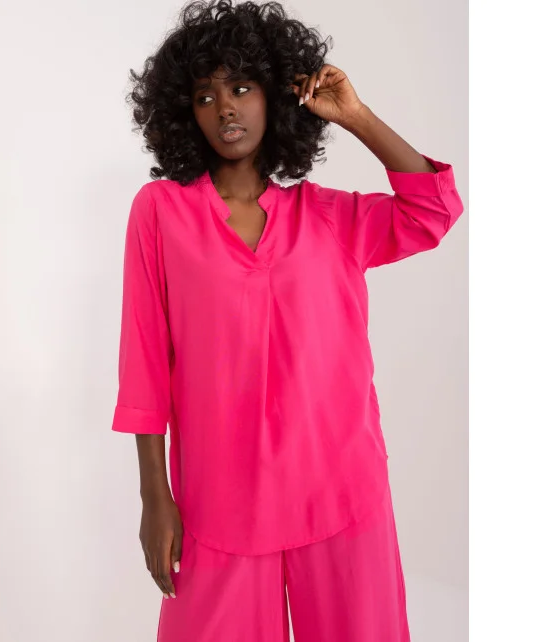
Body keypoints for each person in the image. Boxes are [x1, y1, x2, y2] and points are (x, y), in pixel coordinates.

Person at [111, 1, 464, 639]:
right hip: (220, 499)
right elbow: (145, 364)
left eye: (242, 88)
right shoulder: (160, 212)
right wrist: (154, 496)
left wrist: (355, 116)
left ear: (276, 96)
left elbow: (431, 212)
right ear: (183, 112)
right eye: (205, 96)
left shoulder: (328, 216)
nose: (225, 108)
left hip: (340, 488)